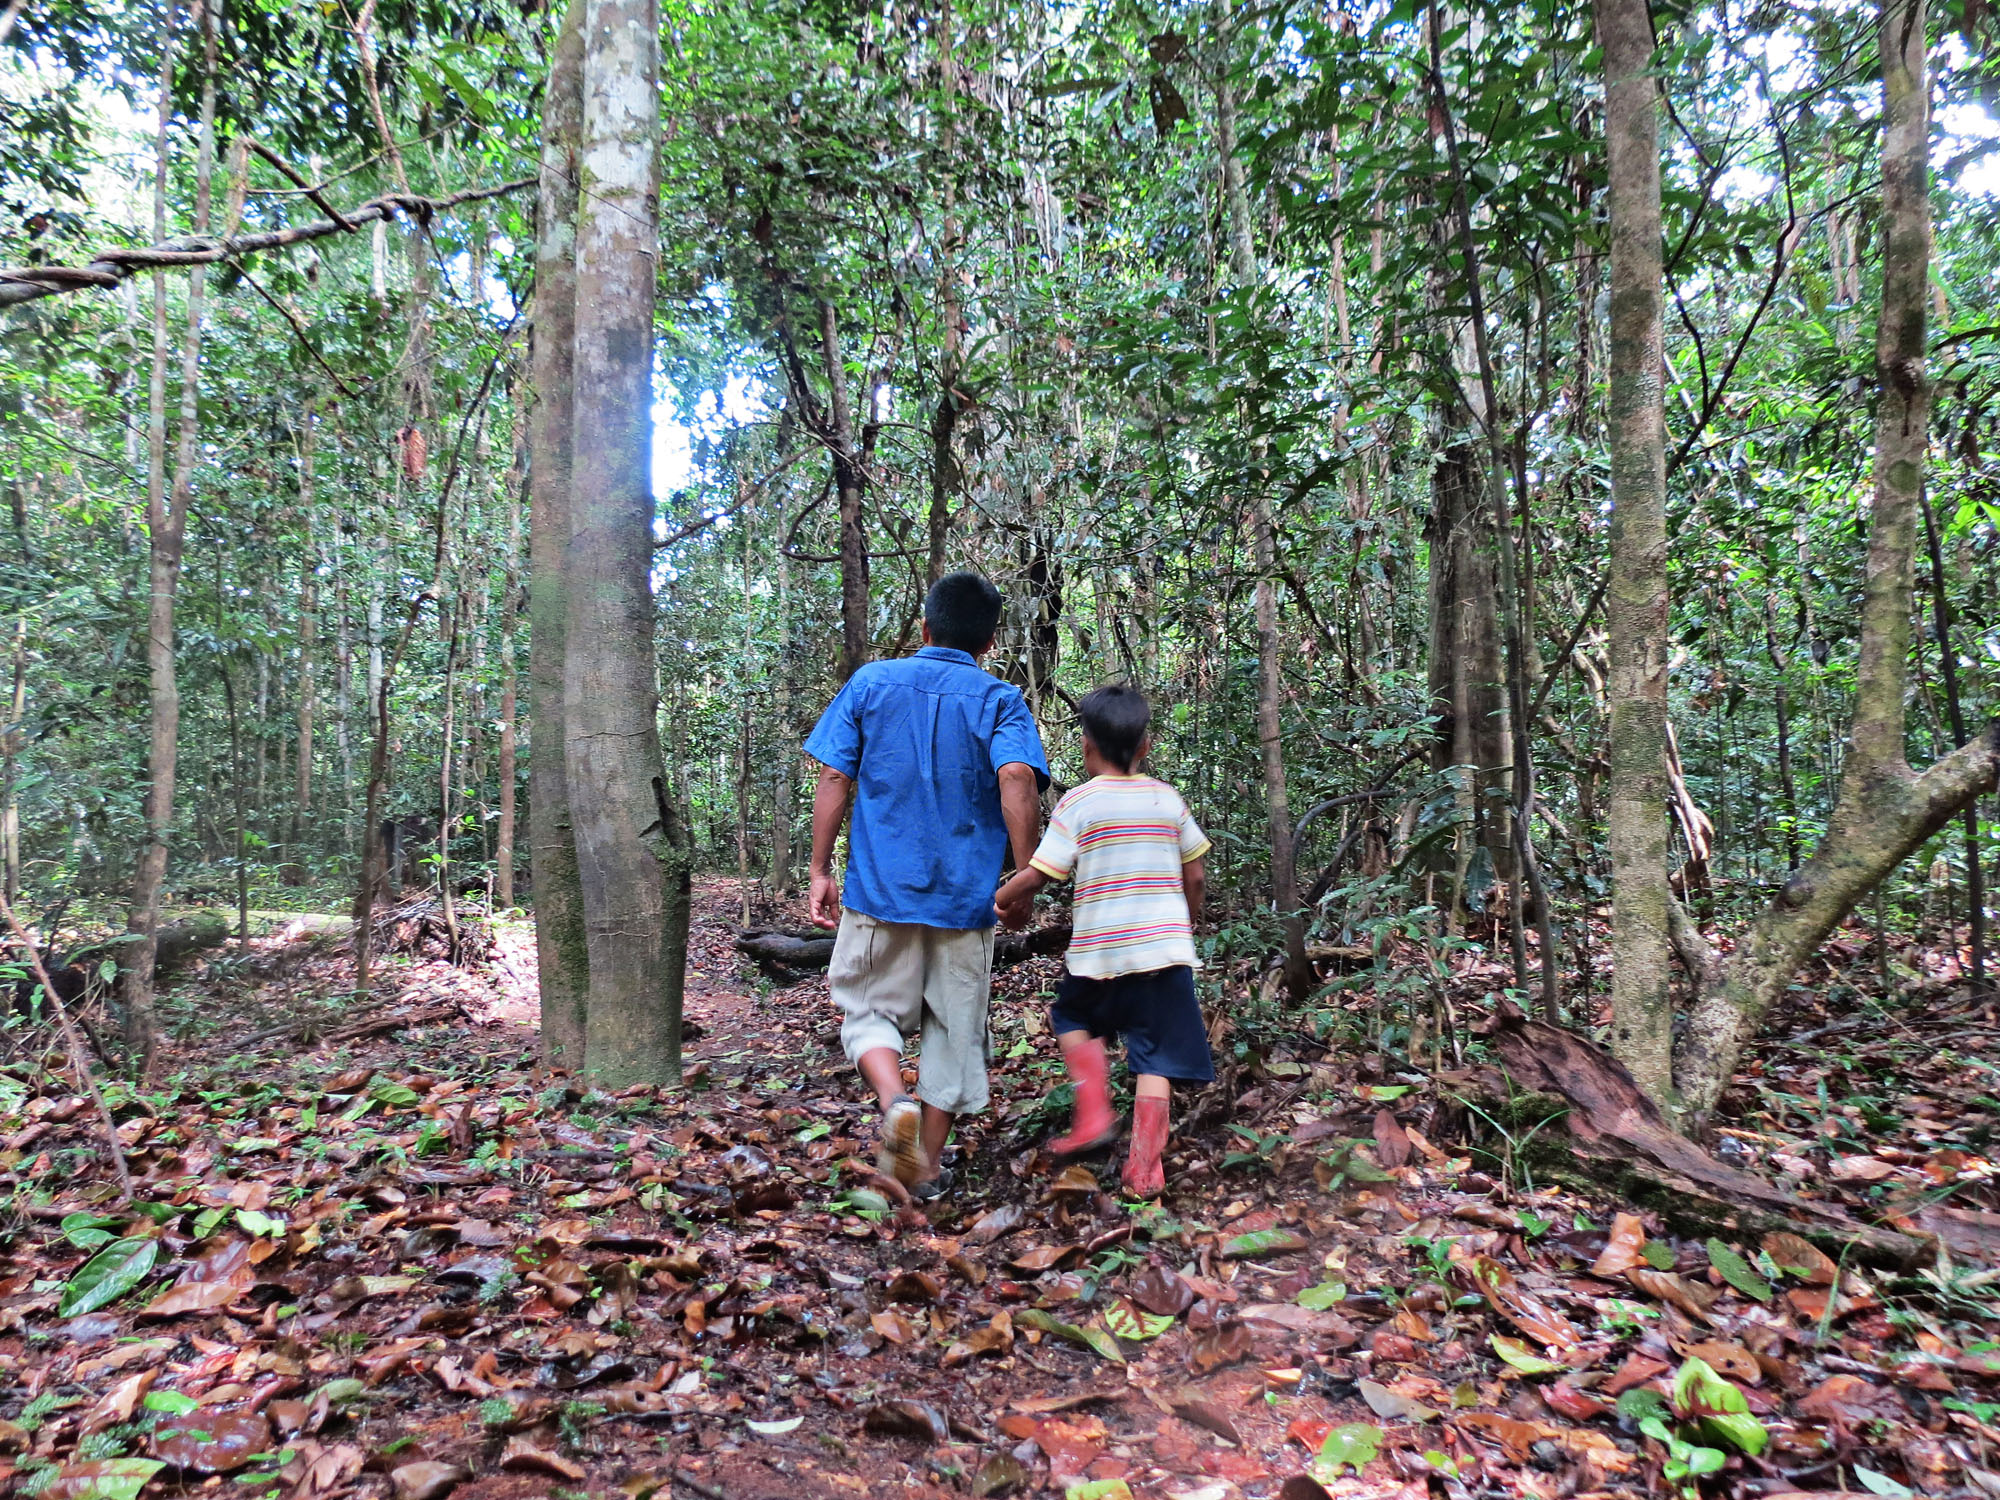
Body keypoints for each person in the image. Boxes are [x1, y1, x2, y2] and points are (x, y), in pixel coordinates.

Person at [804, 571, 1048, 1200]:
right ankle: (926, 1169)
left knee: (866, 1010)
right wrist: (1021, 880)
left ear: (924, 627)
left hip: (880, 893)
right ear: (989, 641)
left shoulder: (871, 683)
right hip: (966, 901)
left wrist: (820, 869)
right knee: (954, 1032)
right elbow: (1017, 777)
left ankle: (893, 1105)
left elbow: (834, 777)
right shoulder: (1000, 698)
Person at [994, 683, 1210, 1198]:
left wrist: (1002, 897)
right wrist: (1188, 920)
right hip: (1164, 953)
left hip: (1099, 954)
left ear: (1087, 746)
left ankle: (1093, 1115)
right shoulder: (1167, 799)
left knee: (1071, 1019)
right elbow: (1196, 875)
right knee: (1154, 1057)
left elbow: (1042, 872)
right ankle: (1144, 1169)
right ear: (1145, 746)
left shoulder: (1079, 803)